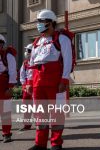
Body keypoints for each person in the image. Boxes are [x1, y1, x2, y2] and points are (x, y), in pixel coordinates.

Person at [27, 9, 72, 150]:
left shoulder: (61, 39)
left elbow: (68, 60)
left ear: (50, 22)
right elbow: (32, 63)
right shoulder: (37, 41)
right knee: (40, 114)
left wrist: (64, 80)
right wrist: (29, 82)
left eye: (41, 21)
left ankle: (56, 143)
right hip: (38, 81)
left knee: (57, 113)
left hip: (55, 81)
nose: (38, 24)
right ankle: (40, 144)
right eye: (38, 22)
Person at [0, 34, 17, 143]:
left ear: (2, 44)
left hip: (4, 83)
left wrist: (10, 87)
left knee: (5, 111)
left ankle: (6, 134)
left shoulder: (8, 55)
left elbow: (12, 71)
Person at [19, 43, 33, 131]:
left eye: (28, 50)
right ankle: (27, 125)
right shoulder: (25, 63)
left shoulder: (39, 62)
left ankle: (42, 124)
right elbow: (22, 75)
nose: (26, 52)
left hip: (36, 85)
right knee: (26, 107)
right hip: (27, 86)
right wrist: (24, 85)